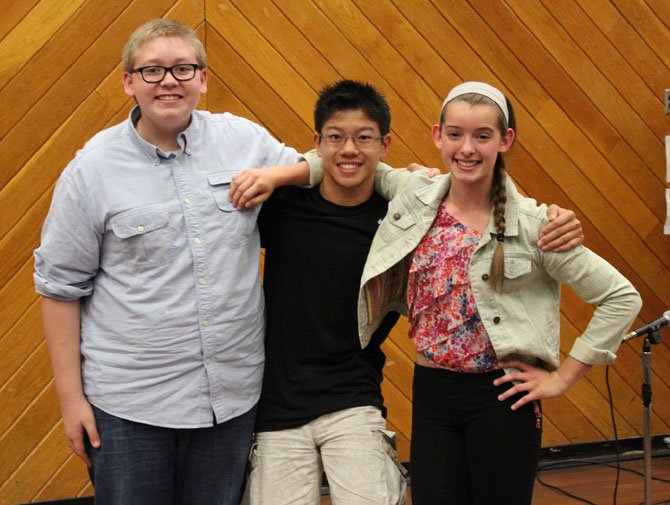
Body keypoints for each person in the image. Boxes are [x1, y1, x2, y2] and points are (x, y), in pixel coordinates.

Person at [230, 80, 585, 505]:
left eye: (364, 138)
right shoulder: (284, 204)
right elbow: (337, 160)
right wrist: (279, 172)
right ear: (317, 142)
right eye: (335, 138)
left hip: (355, 398)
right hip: (278, 406)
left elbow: (463, 193)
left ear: (386, 143)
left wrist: (554, 218)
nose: (349, 149)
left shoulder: (405, 214)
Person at [311, 81, 641, 505]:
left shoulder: (536, 226)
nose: (466, 148)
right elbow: (339, 159)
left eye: (482, 136)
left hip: (502, 398)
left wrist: (562, 378)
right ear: (437, 136)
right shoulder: (413, 195)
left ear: (505, 140)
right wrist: (274, 174)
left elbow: (621, 297)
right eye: (455, 134)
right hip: (432, 391)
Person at [33, 19, 313, 505]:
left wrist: (280, 175)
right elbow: (60, 288)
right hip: (129, 407)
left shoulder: (245, 141)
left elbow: (321, 166)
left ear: (203, 80)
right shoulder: (91, 170)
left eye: (183, 68)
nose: (169, 80)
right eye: (152, 70)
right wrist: (71, 400)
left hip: (230, 399)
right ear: (129, 82)